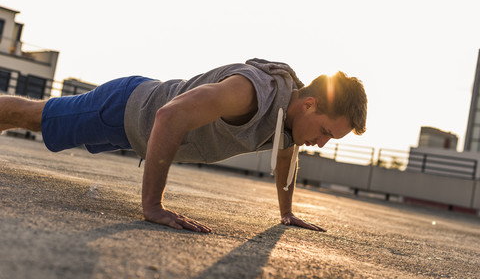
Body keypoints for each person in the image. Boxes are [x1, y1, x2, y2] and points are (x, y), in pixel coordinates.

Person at [0, 58, 367, 233]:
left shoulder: (288, 121)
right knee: (33, 116)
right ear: (310, 104)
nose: (320, 143)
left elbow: (287, 157)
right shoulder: (251, 92)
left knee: (28, 118)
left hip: (132, 135)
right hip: (128, 107)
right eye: (325, 132)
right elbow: (169, 116)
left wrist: (286, 213)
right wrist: (153, 206)